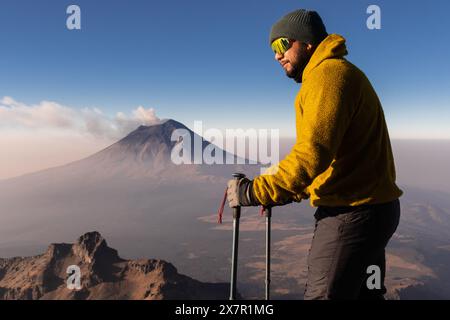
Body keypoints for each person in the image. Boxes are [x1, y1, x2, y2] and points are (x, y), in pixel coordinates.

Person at [226, 9, 403, 300]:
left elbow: (311, 156)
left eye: (282, 45)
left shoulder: (327, 76)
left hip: (350, 215)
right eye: (273, 49)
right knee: (366, 295)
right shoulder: (340, 73)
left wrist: (255, 191)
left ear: (306, 42)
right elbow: (332, 157)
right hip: (376, 212)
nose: (276, 55)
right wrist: (282, 185)